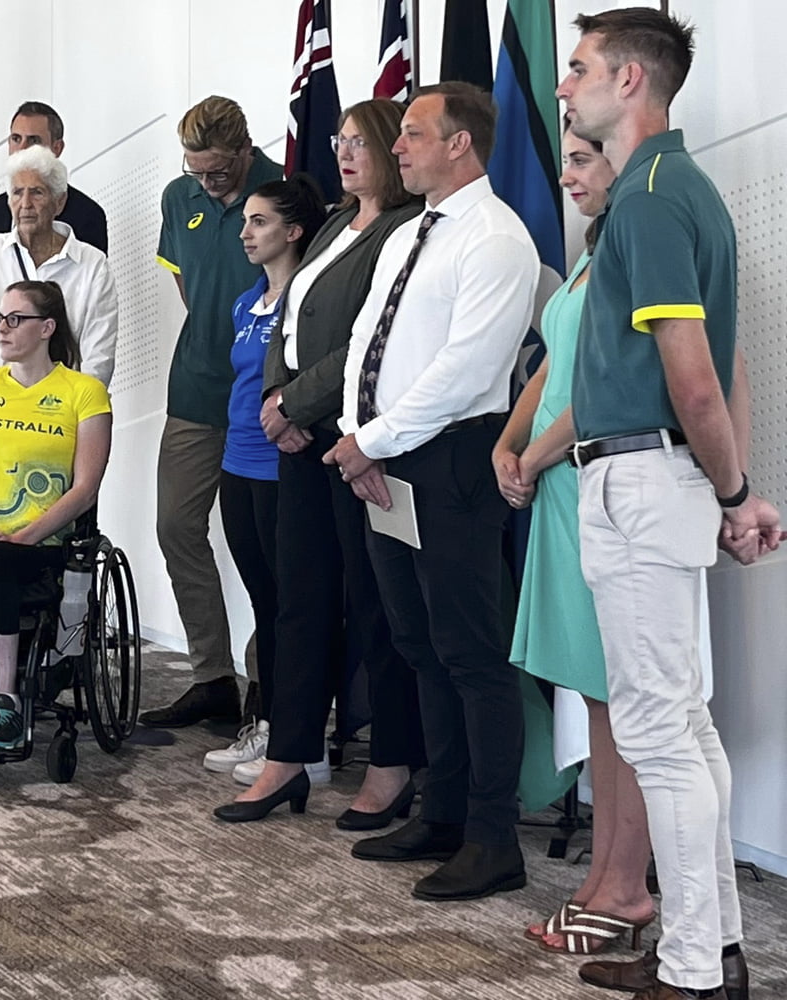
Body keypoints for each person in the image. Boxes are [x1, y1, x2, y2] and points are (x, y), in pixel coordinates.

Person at [559, 10, 779, 998]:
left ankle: (695, 970)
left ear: (630, 81)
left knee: (658, 730)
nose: (564, 86)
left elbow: (695, 378)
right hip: (659, 477)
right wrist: (733, 491)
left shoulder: (649, 197)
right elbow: (717, 373)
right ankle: (711, 949)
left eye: (578, 69)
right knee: (681, 724)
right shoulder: (677, 186)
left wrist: (736, 493)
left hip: (643, 479)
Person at [327, 82, 540, 902]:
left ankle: (493, 837)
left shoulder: (497, 238)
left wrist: (370, 442)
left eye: (413, 133)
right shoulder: (409, 233)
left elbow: (465, 371)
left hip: (450, 464)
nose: (397, 146)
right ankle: (442, 812)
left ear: (460, 144)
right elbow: (366, 345)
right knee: (417, 643)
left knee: (470, 654)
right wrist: (359, 439)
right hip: (385, 463)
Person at [211, 100, 426, 828]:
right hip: (300, 440)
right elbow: (288, 316)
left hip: (357, 442)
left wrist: (295, 404)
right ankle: (289, 756)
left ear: (393, 149)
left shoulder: (404, 230)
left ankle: (392, 765)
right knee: (299, 602)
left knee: (373, 607)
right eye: (340, 141)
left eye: (359, 141)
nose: (344, 152)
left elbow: (371, 338)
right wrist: (277, 395)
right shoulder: (336, 224)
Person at [496, 121, 661, 955]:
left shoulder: (633, 251)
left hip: (593, 479)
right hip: (561, 487)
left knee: (622, 696)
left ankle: (627, 885)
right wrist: (508, 441)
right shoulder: (590, 259)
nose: (568, 176)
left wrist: (533, 455)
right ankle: (603, 873)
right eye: (564, 161)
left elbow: (608, 382)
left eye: (584, 160)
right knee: (594, 695)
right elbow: (550, 371)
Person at [140, 95, 283, 729]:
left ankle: (267, 677)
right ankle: (211, 676)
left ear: (246, 151)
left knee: (266, 547)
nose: (207, 182)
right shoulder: (180, 198)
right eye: (196, 170)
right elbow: (189, 287)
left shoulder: (282, 189)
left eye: (219, 171)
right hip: (196, 388)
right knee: (176, 525)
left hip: (266, 393)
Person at [0, 281, 112, 751]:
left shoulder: (84, 392)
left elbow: (85, 488)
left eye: (16, 319)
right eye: (0, 318)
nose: (3, 329)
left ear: (47, 328)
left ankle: (7, 698)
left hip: (46, 546)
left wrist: (25, 536)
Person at [199, 175, 326, 793]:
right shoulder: (246, 301)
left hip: (284, 466)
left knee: (294, 603)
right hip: (239, 462)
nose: (245, 233)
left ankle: (302, 738)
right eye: (245, 221)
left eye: (259, 222)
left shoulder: (307, 299)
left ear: (294, 230)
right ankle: (270, 720)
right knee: (263, 600)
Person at [0, 145, 118, 385]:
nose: (25, 204)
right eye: (17, 193)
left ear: (59, 202)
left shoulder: (92, 265)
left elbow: (99, 358)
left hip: (67, 403)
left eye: (37, 193)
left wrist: (71, 402)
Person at [0, 101, 108, 251]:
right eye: (16, 139)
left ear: (57, 148)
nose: (22, 149)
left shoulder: (87, 216)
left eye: (34, 141)